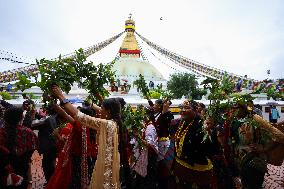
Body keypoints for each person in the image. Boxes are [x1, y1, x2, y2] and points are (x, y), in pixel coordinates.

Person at [50, 85, 121, 189]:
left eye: (102, 109)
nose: (99, 111)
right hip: (105, 162)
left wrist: (61, 96)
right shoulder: (115, 122)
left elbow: (79, 116)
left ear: (108, 111)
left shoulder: (107, 124)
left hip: (105, 165)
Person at [172, 100, 217, 189]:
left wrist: (208, 132)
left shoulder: (202, 124)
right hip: (181, 166)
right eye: (182, 108)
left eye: (187, 108)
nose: (183, 110)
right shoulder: (183, 121)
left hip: (197, 171)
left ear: (196, 110)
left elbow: (211, 149)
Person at [0, 107, 38, 189]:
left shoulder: (1, 132)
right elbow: (32, 159)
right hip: (22, 175)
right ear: (21, 118)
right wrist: (31, 182)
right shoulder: (28, 133)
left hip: (4, 174)